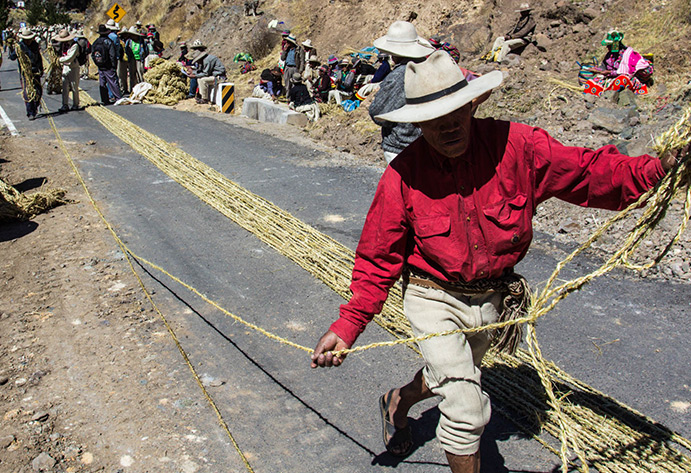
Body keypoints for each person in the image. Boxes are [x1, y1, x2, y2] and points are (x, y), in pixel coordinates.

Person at [310, 50, 684, 472]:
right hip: (433, 296)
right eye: (435, 118)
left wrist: (655, 171)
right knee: (466, 408)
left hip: (493, 297)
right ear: (417, 123)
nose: (449, 125)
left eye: (456, 111)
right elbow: (379, 257)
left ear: (473, 104)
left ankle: (398, 399)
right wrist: (348, 326)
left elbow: (585, 172)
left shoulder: (518, 146)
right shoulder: (403, 177)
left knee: (451, 378)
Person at [368, 20, 435, 164]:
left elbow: (378, 113)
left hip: (402, 145)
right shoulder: (428, 67)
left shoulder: (400, 75)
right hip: (428, 141)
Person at [587, 30, 653, 95]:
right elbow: (603, 67)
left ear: (615, 45)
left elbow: (627, 73)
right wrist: (596, 70)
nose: (607, 47)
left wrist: (609, 72)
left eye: (609, 45)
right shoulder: (609, 55)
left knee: (622, 80)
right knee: (592, 81)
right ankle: (602, 93)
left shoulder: (628, 55)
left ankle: (611, 94)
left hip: (627, 78)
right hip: (611, 78)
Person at [8, 28, 43, 120]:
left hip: (35, 71)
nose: (28, 41)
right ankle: (30, 112)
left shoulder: (35, 45)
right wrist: (13, 50)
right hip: (25, 73)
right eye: (26, 39)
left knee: (38, 91)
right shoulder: (20, 46)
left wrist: (41, 69)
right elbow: (12, 57)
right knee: (28, 93)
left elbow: (39, 57)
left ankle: (35, 106)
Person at [91, 24, 121, 105]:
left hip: (100, 66)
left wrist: (97, 63)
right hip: (108, 65)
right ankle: (118, 97)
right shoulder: (108, 42)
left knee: (102, 83)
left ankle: (104, 99)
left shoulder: (96, 42)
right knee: (112, 81)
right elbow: (112, 55)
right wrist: (113, 65)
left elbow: (92, 54)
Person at [56, 29, 80, 112]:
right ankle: (64, 104)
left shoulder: (75, 45)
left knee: (74, 86)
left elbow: (70, 57)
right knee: (64, 86)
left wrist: (59, 60)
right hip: (65, 67)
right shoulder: (63, 45)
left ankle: (75, 104)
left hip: (73, 67)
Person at [124, 26, 148, 91]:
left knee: (140, 74)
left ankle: (142, 89)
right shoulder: (129, 41)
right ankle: (133, 89)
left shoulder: (142, 41)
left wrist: (143, 57)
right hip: (132, 60)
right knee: (132, 75)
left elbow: (146, 51)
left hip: (139, 59)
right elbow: (126, 50)